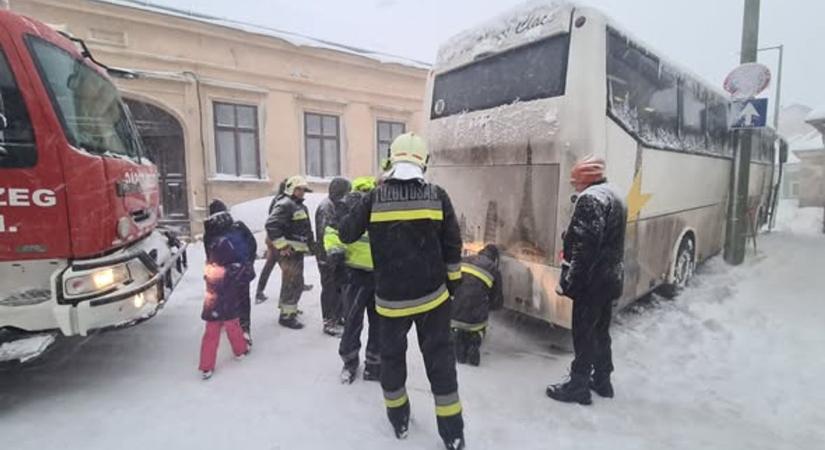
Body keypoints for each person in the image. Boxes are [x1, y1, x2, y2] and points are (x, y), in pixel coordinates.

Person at [338, 133, 465, 450]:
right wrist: (452, 286)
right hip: (433, 298)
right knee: (440, 362)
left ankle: (400, 421)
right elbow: (452, 246)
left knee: (392, 361)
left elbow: (346, 233)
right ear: (424, 162)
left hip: (390, 302)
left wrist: (359, 199)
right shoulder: (438, 196)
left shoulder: (373, 198)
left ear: (390, 160)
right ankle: (453, 434)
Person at [546, 156, 627, 405]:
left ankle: (578, 386)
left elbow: (584, 247)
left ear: (587, 178)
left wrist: (571, 282)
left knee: (583, 333)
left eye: (576, 181)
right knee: (601, 331)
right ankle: (603, 381)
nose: (574, 186)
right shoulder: (615, 194)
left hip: (591, 282)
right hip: (610, 277)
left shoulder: (590, 200)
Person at [327, 176, 381, 384]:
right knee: (369, 323)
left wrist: (336, 252)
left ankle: (357, 364)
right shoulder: (348, 207)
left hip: (358, 275)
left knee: (354, 322)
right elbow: (332, 232)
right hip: (362, 275)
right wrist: (336, 251)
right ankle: (367, 365)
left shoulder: (376, 207)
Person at [199, 200, 254, 379]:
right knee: (233, 322)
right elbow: (250, 247)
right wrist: (245, 267)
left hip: (213, 292)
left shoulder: (211, 235)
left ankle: (206, 366)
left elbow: (209, 261)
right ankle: (240, 350)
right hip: (230, 288)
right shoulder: (234, 231)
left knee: (212, 329)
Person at [265, 175, 315, 329]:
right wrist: (283, 246)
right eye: (299, 189)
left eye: (303, 189)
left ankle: (288, 308)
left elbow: (305, 228)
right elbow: (271, 225)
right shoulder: (285, 204)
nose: (302, 192)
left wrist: (311, 245)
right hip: (289, 253)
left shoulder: (298, 205)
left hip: (296, 251)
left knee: (291, 282)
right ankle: (287, 316)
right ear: (291, 188)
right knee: (294, 283)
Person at [450, 244, 503, 367]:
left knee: (458, 321)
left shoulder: (464, 259)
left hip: (454, 314)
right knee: (477, 326)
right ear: (495, 259)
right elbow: (497, 301)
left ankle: (457, 336)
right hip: (475, 318)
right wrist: (486, 305)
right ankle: (474, 341)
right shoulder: (494, 269)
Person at [315, 177, 352, 336]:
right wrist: (331, 255)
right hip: (327, 256)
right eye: (346, 192)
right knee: (330, 289)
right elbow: (326, 233)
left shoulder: (337, 205)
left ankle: (338, 316)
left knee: (338, 288)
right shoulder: (326, 207)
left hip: (336, 256)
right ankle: (329, 321)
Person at [255, 179, 288, 304]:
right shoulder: (281, 202)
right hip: (277, 239)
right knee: (287, 267)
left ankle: (259, 291)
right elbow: (275, 222)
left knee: (273, 264)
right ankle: (286, 298)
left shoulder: (278, 200)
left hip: (273, 238)